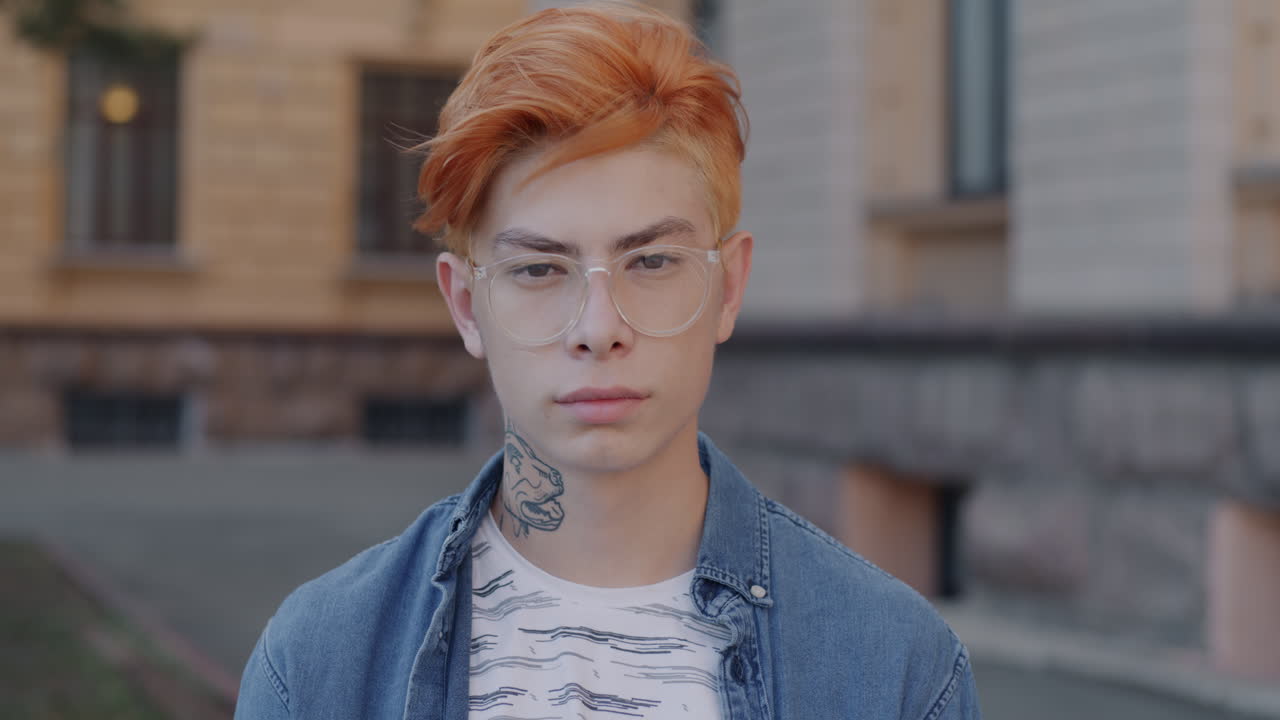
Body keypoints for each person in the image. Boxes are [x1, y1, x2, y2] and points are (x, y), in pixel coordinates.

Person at [234, 3, 982, 718]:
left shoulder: (896, 665)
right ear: (467, 306)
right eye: (538, 270)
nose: (599, 328)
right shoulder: (318, 660)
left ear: (730, 287)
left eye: (652, 261)